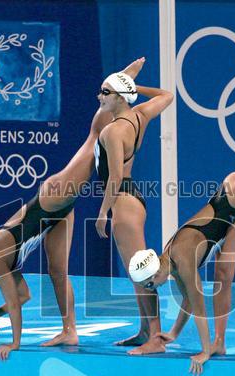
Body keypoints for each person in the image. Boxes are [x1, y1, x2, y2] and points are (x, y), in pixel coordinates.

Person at [0, 59, 152, 360]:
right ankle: (69, 329)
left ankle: (124, 80)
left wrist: (13, 344)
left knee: (94, 139)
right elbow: (24, 296)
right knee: (57, 270)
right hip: (55, 216)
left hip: (52, 198)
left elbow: (16, 305)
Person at [124, 60, 235, 376]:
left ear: (154, 274)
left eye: (151, 284)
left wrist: (200, 352)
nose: (155, 287)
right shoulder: (170, 262)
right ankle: (219, 341)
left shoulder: (180, 257)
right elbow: (188, 298)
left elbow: (197, 302)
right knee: (225, 276)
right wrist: (174, 334)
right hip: (229, 213)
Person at [93, 60, 175, 348]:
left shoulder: (113, 132)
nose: (99, 96)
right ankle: (145, 331)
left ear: (118, 97)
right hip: (132, 198)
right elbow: (167, 96)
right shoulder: (139, 115)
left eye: (105, 92)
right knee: (137, 272)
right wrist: (131, 85)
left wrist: (103, 212)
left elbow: (114, 176)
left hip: (122, 202)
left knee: (142, 272)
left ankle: (155, 337)